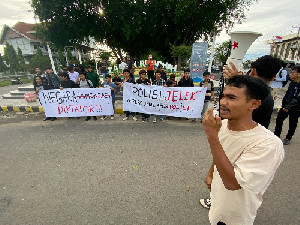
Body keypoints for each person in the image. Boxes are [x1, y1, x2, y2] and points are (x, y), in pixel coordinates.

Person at [200, 55, 282, 210]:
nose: (223, 103)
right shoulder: (225, 126)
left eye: (232, 97)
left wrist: (212, 136)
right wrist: (212, 173)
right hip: (220, 203)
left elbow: (233, 183)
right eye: (223, 96)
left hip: (237, 210)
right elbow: (222, 152)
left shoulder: (267, 145)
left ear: (254, 104)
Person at [274, 66, 300, 145]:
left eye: (293, 72)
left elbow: (298, 98)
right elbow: (288, 94)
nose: (291, 74)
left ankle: (288, 137)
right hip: (285, 106)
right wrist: (284, 105)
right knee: (279, 119)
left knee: (292, 123)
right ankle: (276, 135)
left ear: (299, 74)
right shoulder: (292, 83)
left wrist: (288, 107)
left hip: (296, 108)